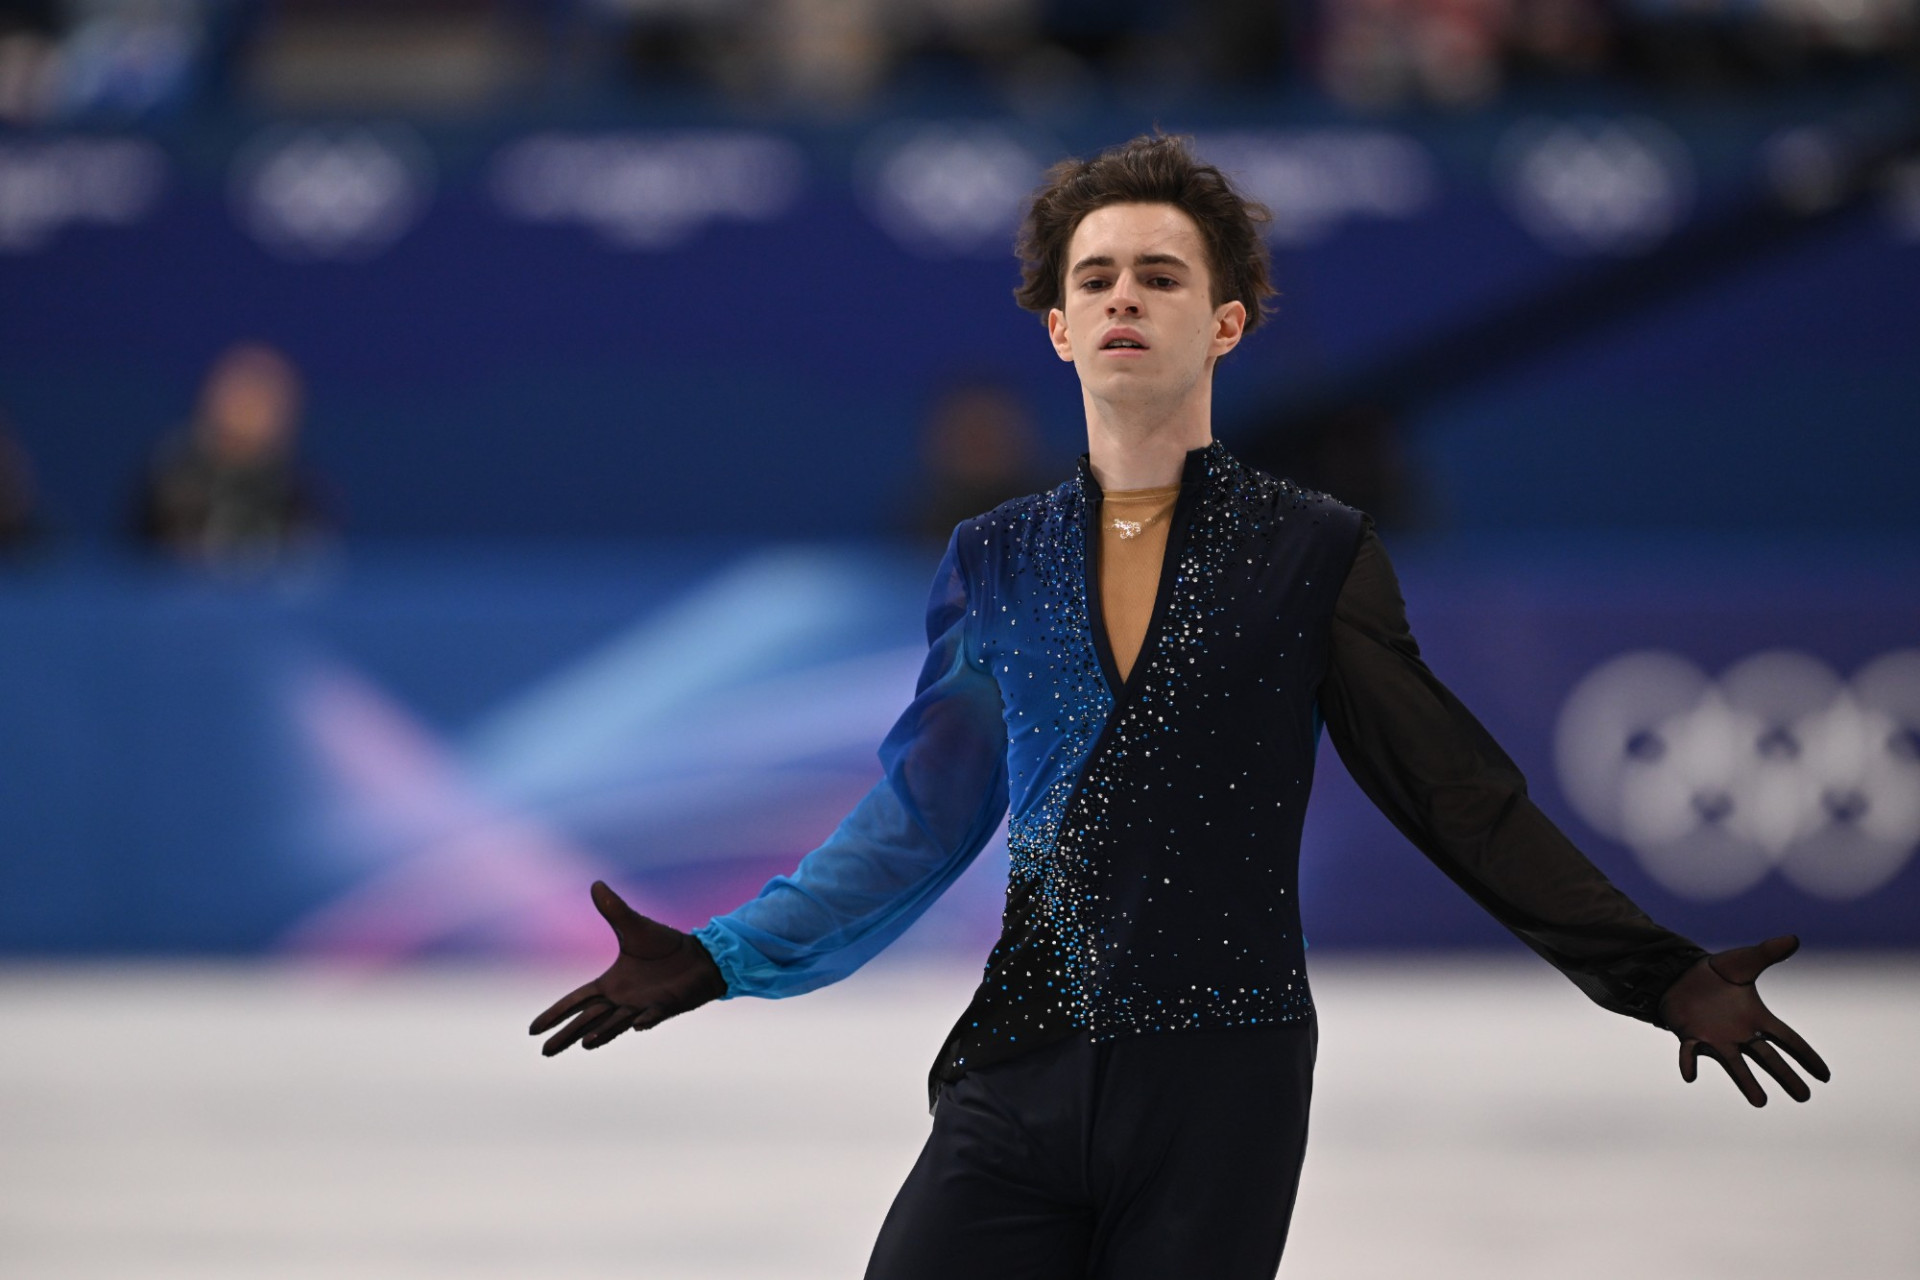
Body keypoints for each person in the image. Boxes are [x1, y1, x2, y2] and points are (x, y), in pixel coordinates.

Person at [529, 133, 1828, 1279]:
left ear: (1226, 324)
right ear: (1058, 327)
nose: (1123, 298)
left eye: (1160, 276)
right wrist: (726, 954)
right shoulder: (996, 558)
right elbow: (917, 822)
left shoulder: (1311, 550)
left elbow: (1455, 793)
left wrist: (1655, 971)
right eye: (1095, 277)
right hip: (1021, 1063)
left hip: (1225, 1084)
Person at [132, 341, 327, 564]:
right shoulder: (167, 474)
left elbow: (313, 562)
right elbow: (134, 561)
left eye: (261, 401)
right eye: (238, 396)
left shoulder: (300, 492)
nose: (246, 414)